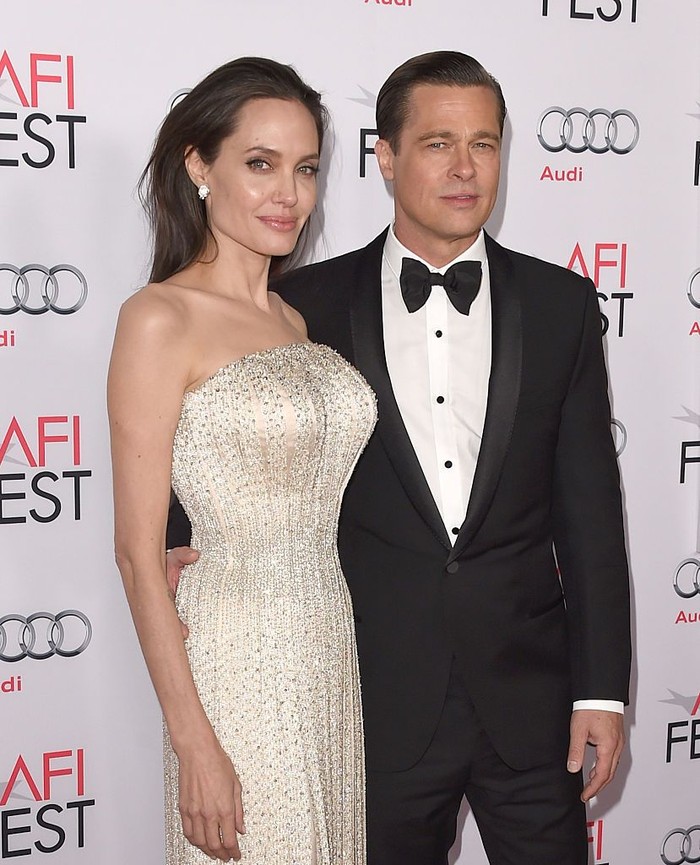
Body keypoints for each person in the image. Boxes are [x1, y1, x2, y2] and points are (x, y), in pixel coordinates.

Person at [167, 51, 631, 865]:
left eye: (484, 145)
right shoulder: (301, 306)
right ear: (383, 156)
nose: (464, 169)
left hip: (532, 708)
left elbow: (590, 513)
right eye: (437, 143)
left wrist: (600, 689)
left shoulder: (562, 306)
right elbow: (228, 430)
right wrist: (184, 534)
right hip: (371, 698)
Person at [108, 57, 374, 865]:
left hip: (326, 644)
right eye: (259, 164)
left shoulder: (296, 321)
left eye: (305, 169)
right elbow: (136, 550)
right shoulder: (160, 317)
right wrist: (195, 742)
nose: (287, 194)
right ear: (199, 165)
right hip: (234, 657)